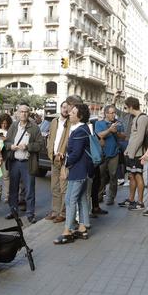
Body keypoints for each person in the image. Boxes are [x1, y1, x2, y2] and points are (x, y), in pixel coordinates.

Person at [53, 103, 93, 244]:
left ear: (80, 116)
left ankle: (67, 231)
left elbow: (75, 154)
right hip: (83, 170)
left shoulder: (80, 131)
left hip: (78, 171)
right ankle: (83, 227)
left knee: (70, 199)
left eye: (73, 112)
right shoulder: (82, 128)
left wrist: (65, 164)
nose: (69, 114)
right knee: (81, 198)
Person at [4, 104, 42, 224]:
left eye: (25, 112)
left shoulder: (34, 128)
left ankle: (30, 214)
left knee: (29, 190)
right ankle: (13, 211)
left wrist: (27, 146)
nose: (23, 114)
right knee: (13, 188)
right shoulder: (13, 126)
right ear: (17, 113)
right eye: (21, 112)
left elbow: (40, 145)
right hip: (14, 162)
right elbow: (6, 142)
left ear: (28, 113)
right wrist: (11, 146)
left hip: (27, 163)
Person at [120, 97, 148, 210]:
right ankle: (131, 199)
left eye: (126, 107)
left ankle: (140, 202)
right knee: (131, 176)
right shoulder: (136, 118)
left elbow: (140, 138)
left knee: (138, 175)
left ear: (131, 106)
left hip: (137, 154)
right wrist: (127, 150)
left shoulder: (142, 118)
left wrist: (131, 152)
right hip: (131, 152)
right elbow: (133, 137)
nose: (126, 109)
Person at [94, 104, 125, 206]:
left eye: (114, 113)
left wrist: (116, 132)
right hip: (102, 154)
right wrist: (109, 130)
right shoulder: (99, 123)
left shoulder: (118, 123)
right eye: (111, 113)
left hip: (114, 153)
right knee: (101, 176)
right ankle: (99, 195)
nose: (113, 115)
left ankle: (111, 197)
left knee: (113, 176)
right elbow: (99, 135)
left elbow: (124, 137)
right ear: (106, 114)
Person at [44, 101, 70, 223]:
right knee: (54, 186)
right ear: (60, 108)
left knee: (63, 187)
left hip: (64, 160)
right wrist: (49, 150)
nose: (65, 110)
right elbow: (50, 137)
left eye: (67, 108)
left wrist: (64, 153)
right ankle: (55, 211)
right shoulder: (55, 121)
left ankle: (63, 213)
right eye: (64, 107)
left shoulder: (71, 123)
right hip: (54, 158)